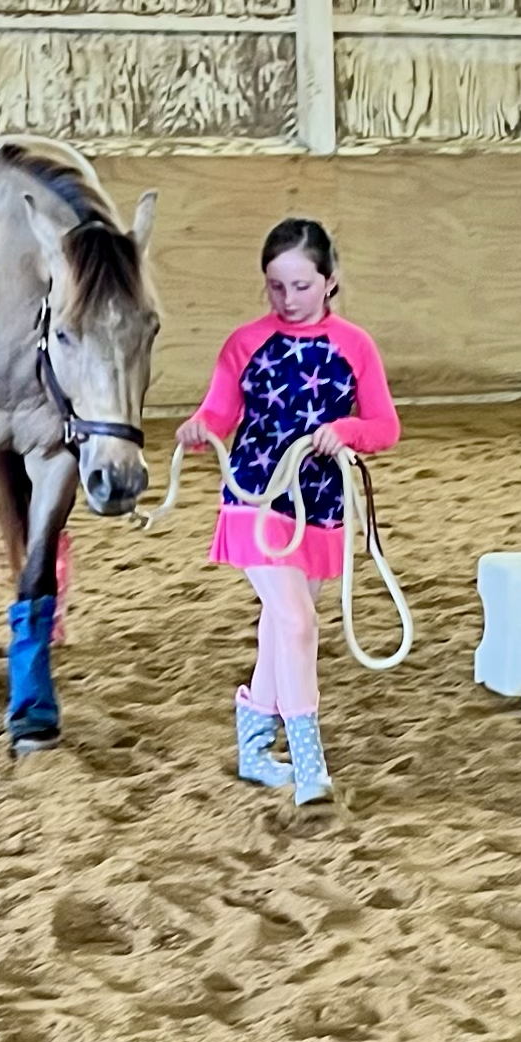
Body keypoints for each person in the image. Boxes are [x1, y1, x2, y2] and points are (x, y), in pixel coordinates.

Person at [176, 218, 400, 806]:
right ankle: (308, 764)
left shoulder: (356, 346)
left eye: (301, 286)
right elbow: (220, 411)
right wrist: (202, 428)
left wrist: (345, 431)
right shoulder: (244, 343)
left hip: (321, 503)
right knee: (298, 623)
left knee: (282, 624)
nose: (289, 300)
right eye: (277, 286)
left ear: (330, 281)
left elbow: (385, 426)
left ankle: (254, 749)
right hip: (253, 495)